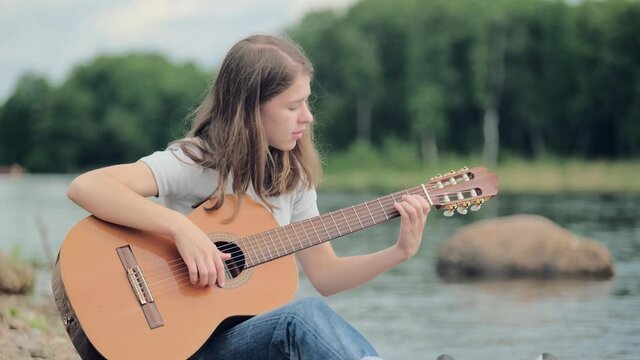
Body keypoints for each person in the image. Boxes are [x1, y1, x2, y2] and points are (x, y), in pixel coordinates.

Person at [67, 34, 431, 360]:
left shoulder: (294, 180)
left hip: (237, 345)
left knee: (302, 322)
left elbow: (326, 275)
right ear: (250, 110)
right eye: (292, 107)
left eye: (307, 103)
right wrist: (181, 228)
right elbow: (88, 186)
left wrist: (398, 253)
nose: (307, 118)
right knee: (300, 320)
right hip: (173, 347)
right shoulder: (197, 160)